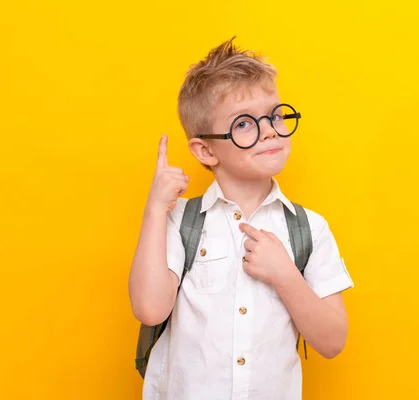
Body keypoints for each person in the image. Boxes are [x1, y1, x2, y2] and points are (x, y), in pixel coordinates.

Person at [128, 36, 354, 400]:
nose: (270, 129)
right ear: (205, 150)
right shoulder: (183, 221)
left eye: (276, 114)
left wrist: (285, 276)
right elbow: (150, 309)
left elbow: (332, 341)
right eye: (245, 123)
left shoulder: (309, 228)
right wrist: (155, 209)